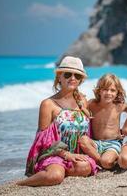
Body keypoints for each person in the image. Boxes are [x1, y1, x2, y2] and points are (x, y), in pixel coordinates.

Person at [17, 56, 97, 186]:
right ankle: (21, 184)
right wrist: (66, 155)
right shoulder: (48, 104)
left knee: (85, 168)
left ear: (80, 80)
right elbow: (43, 140)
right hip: (53, 154)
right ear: (59, 77)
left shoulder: (82, 102)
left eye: (77, 76)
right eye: (67, 74)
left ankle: (61, 170)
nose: (72, 78)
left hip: (76, 154)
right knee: (55, 176)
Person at [79, 74, 127, 169]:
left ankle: (107, 162)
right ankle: (101, 162)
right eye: (105, 89)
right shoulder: (92, 104)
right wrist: (81, 98)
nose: (108, 93)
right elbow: (80, 108)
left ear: (117, 92)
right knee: (83, 140)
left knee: (106, 161)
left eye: (112, 90)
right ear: (99, 90)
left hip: (113, 143)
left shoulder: (120, 105)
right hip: (95, 143)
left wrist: (126, 129)